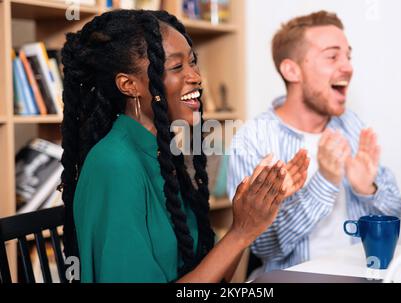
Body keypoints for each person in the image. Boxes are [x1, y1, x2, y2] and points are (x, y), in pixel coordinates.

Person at [58, 10, 309, 283]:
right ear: (129, 85)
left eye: (192, 62)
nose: (196, 77)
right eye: (177, 67)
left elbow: (214, 277)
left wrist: (253, 220)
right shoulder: (114, 164)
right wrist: (241, 232)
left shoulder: (163, 155)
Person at [227, 11, 401, 274]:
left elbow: (396, 214)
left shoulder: (351, 125)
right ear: (292, 70)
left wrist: (368, 189)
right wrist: (325, 181)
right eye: (333, 56)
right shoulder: (254, 139)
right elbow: (264, 246)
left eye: (348, 56)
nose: (348, 67)